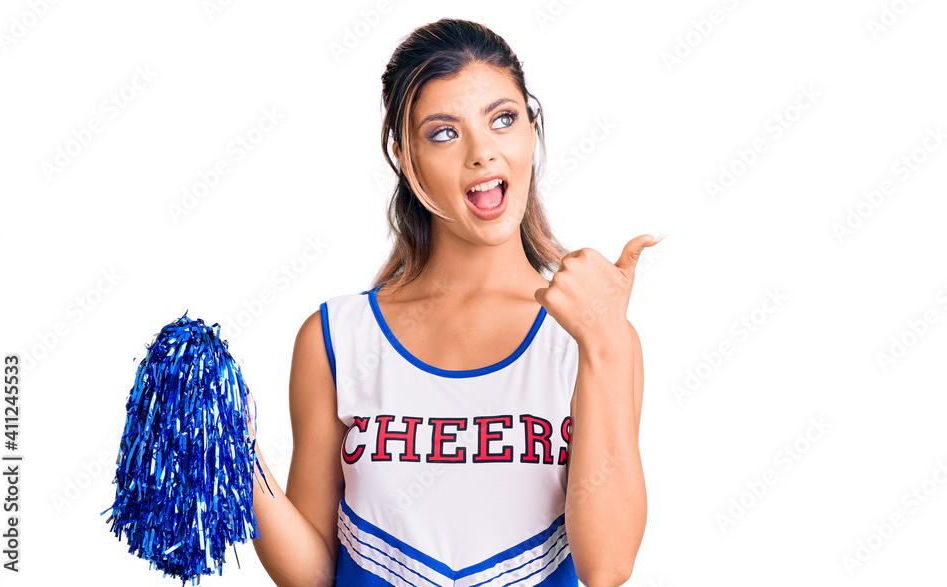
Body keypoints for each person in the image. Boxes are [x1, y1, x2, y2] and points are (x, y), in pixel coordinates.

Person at [249, 17, 661, 587]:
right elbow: (315, 575)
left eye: (503, 120)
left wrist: (607, 342)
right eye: (444, 132)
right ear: (403, 156)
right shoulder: (336, 339)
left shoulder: (587, 337)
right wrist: (232, 449)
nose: (482, 153)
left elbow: (608, 567)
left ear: (532, 130)